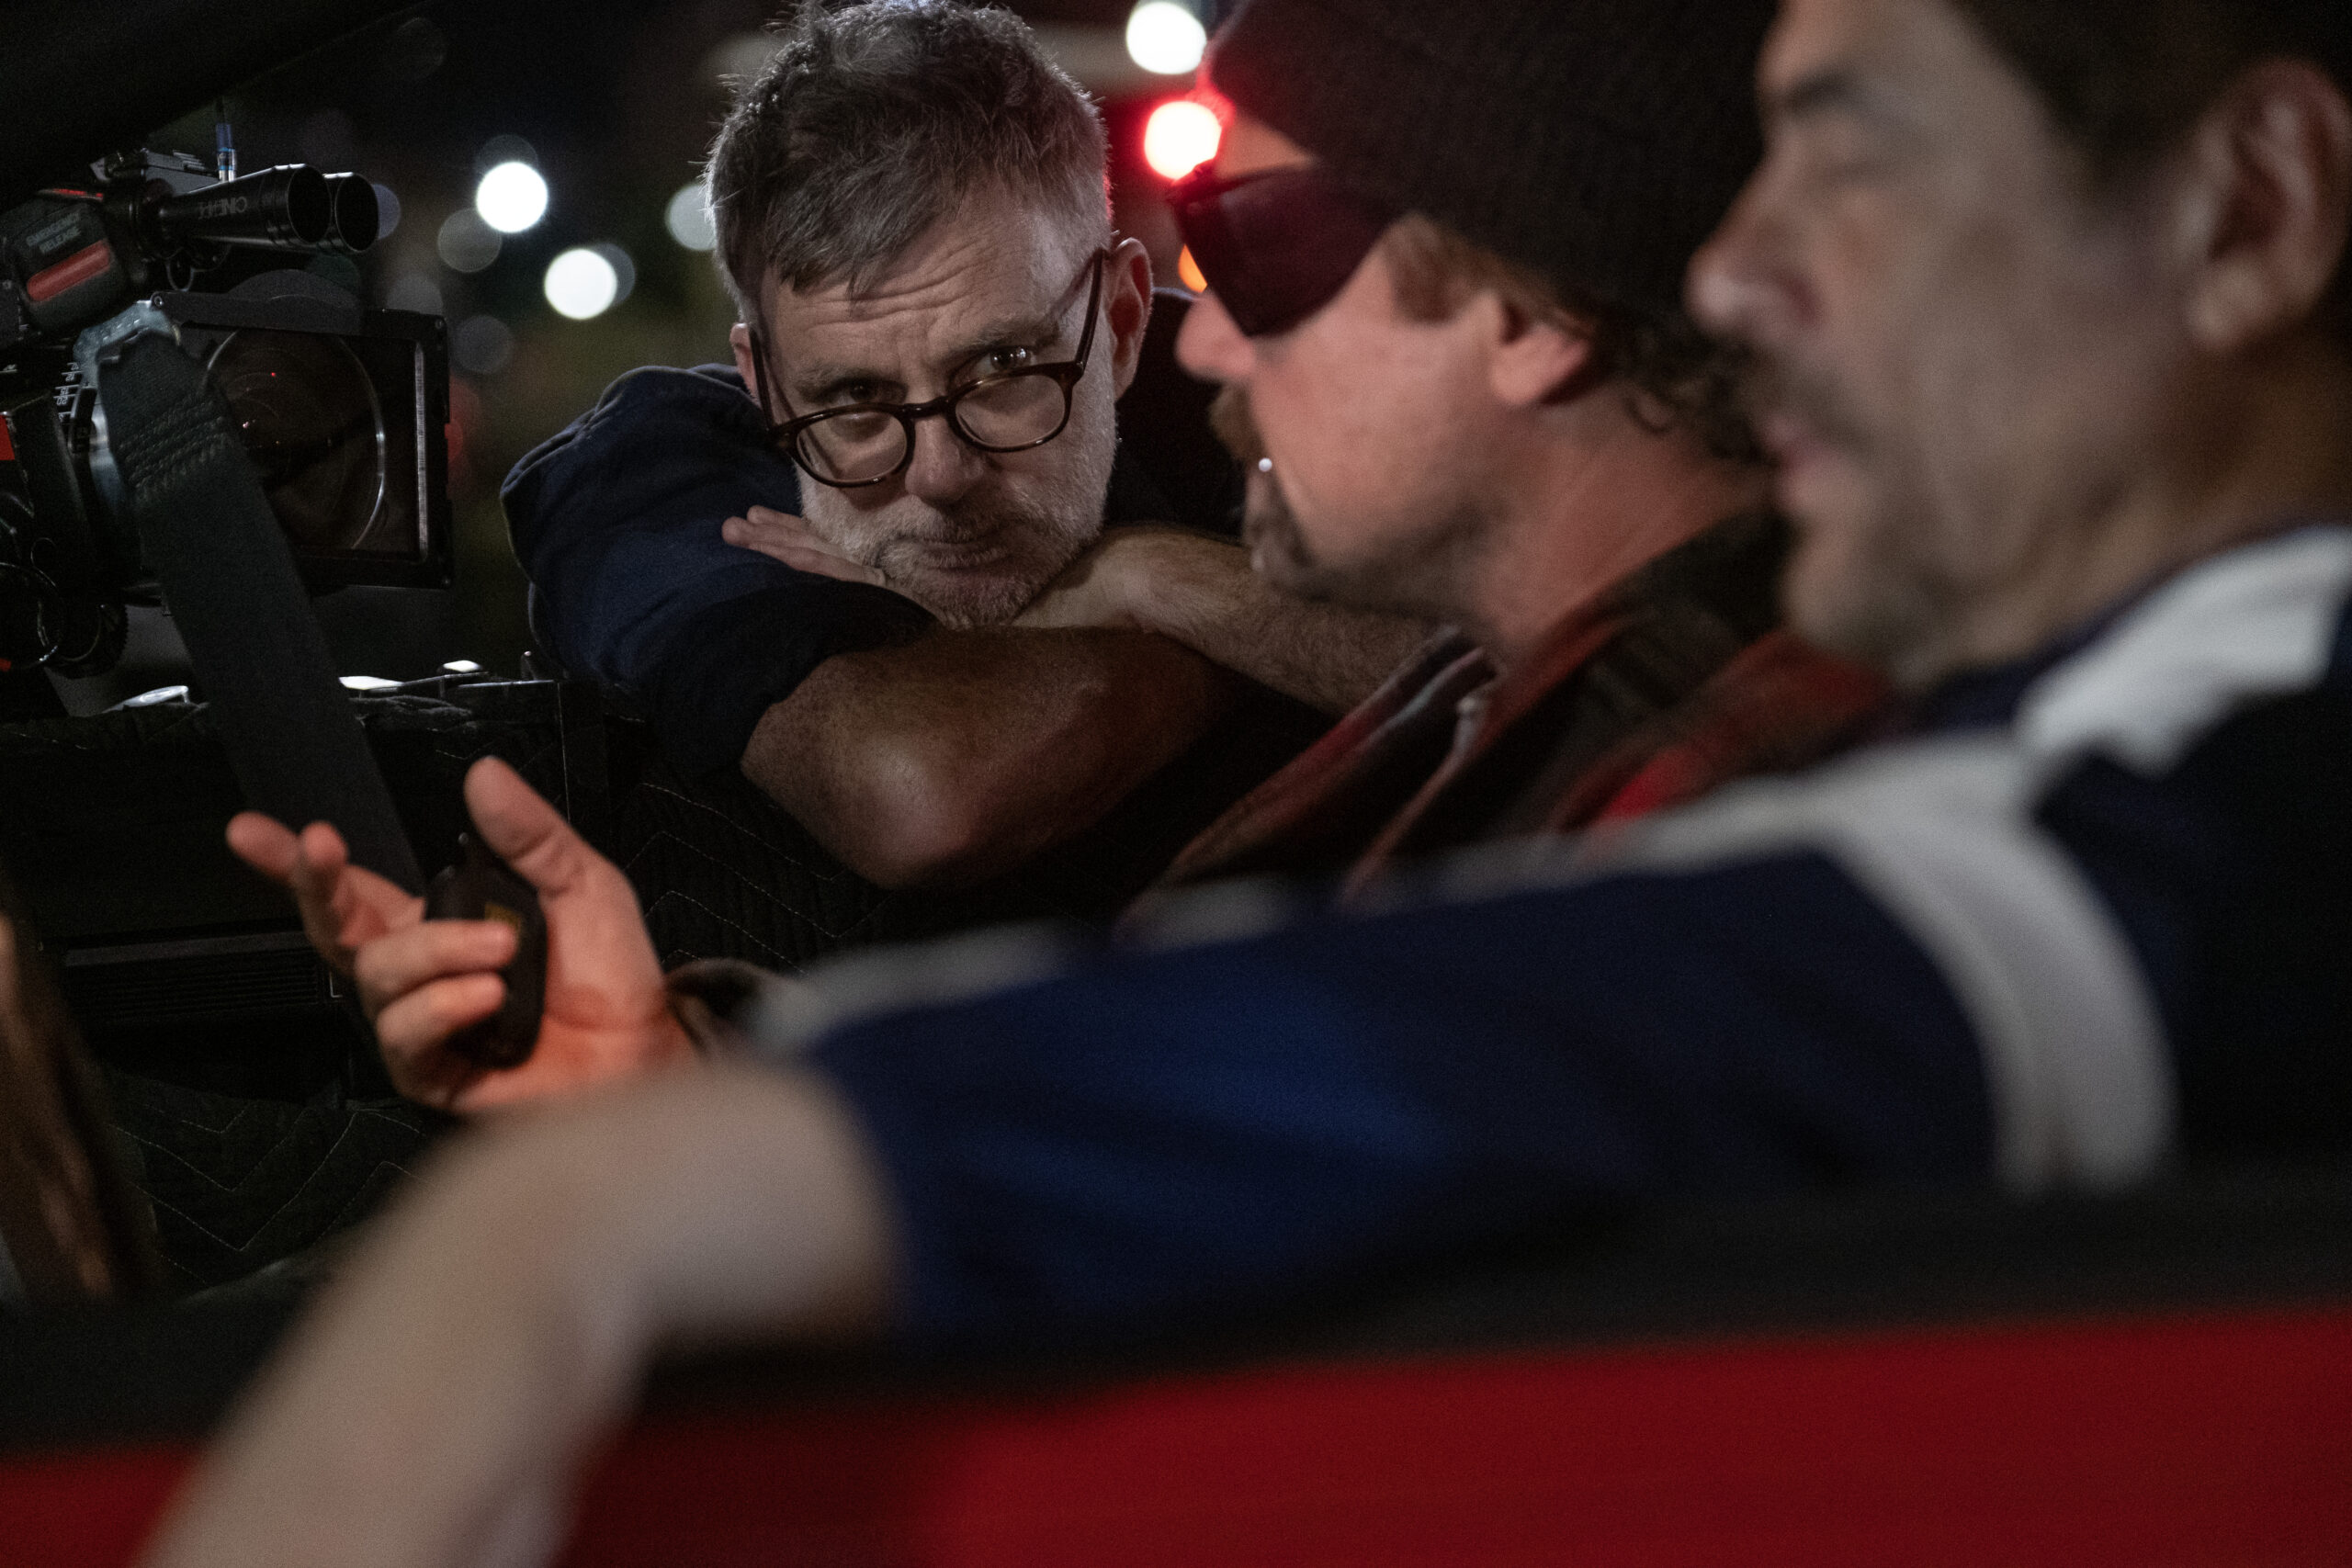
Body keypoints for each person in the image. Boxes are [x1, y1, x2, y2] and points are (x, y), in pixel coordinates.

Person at [149, 0, 2352, 1559]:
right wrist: (693, 1084)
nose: (1737, 269)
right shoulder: (1523, 697)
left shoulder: (2175, 784)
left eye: (1854, 159)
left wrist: (649, 1192)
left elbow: (1815, 960)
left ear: (2249, 209)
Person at [507, 0, 1419, 897]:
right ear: (766, 382)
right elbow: (919, 803)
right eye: (853, 401)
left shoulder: (1236, 386)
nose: (941, 476)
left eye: (1002, 368)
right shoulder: (651, 474)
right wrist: (1241, 624)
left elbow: (1506, 636)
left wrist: (1146, 572)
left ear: (1121, 322)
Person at [1102, 0, 1883, 908]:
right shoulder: (1490, 707)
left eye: (1249, 245)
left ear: (1534, 318)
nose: (1204, 344)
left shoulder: (1728, 849)